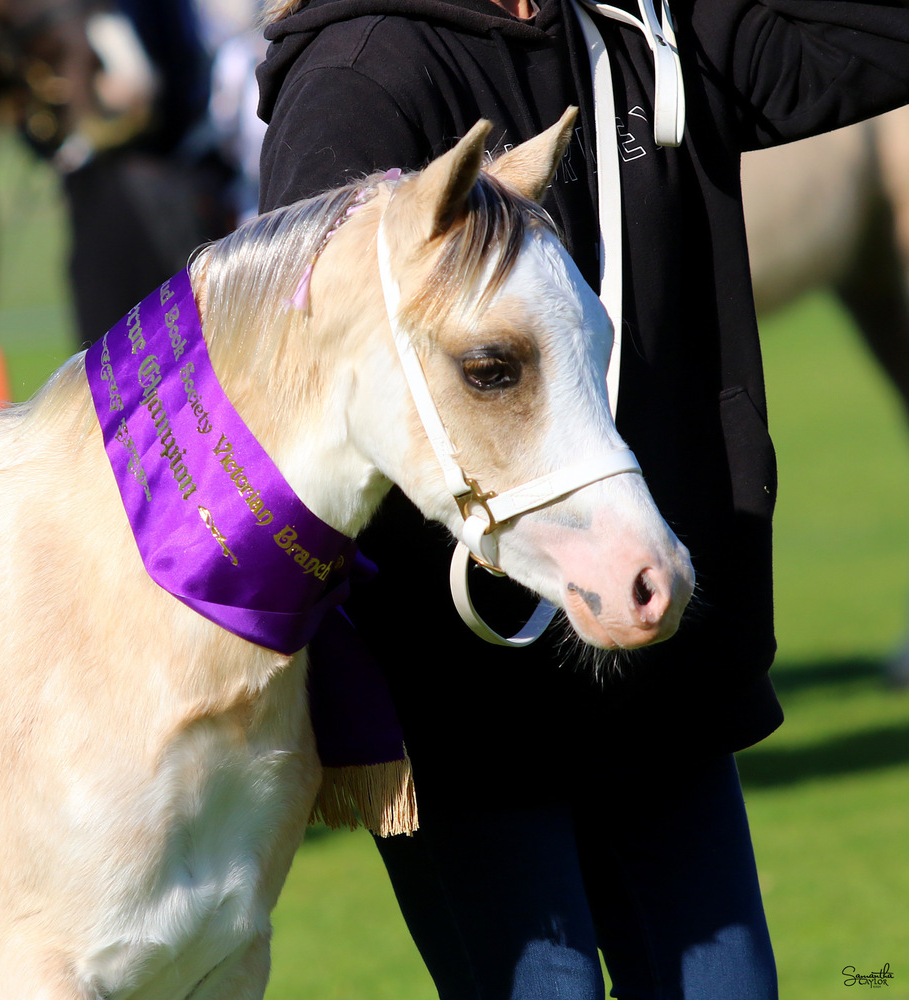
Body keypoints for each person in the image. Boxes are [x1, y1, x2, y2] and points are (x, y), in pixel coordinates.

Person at [256, 0, 909, 996]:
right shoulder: (361, 72)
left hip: (656, 673)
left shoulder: (646, 24)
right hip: (465, 702)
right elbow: (301, 384)